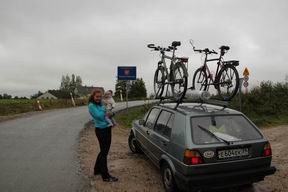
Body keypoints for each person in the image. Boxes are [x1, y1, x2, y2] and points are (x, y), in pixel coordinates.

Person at [88, 88, 118, 182]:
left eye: (100, 97)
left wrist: (110, 113)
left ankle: (97, 170)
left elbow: (111, 113)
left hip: (107, 128)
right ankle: (105, 176)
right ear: (93, 96)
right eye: (97, 96)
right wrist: (107, 112)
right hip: (101, 130)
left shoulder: (100, 103)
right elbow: (100, 116)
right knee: (104, 152)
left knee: (103, 151)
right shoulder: (91, 105)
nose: (99, 98)